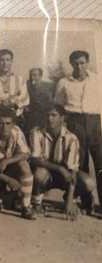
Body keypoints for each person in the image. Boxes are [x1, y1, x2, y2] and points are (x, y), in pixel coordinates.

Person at [30, 104, 96, 219]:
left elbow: (72, 171)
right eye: (47, 115)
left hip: (64, 177)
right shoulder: (36, 132)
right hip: (47, 173)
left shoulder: (71, 138)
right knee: (39, 173)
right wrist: (60, 168)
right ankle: (36, 202)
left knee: (89, 183)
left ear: (62, 118)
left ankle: (70, 198)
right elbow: (35, 160)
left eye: (54, 115)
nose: (49, 118)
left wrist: (70, 201)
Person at [55, 50, 102, 208]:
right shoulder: (64, 82)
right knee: (79, 163)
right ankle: (86, 202)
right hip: (75, 122)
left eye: (82, 63)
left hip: (95, 122)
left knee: (100, 163)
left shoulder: (97, 79)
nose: (79, 66)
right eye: (76, 63)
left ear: (87, 63)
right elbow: (59, 105)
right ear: (71, 64)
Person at [0, 107, 35, 220]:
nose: (4, 127)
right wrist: (8, 180)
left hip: (8, 168)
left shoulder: (17, 131)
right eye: (1, 123)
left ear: (13, 124)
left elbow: (26, 154)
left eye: (8, 123)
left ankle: (26, 206)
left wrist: (6, 161)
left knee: (24, 165)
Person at [0, 49, 29, 127]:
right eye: (2, 60)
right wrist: (12, 97)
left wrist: (10, 102)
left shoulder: (20, 79)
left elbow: (25, 98)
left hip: (15, 118)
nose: (5, 63)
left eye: (8, 60)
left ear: (12, 61)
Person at [24, 67, 55, 134]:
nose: (32, 77)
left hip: (44, 116)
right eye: (31, 75)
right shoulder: (27, 85)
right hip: (31, 116)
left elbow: (51, 103)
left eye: (35, 75)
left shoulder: (48, 87)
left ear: (40, 76)